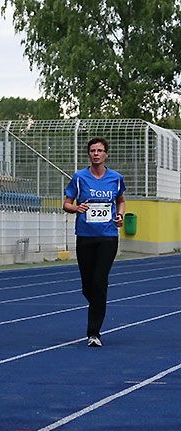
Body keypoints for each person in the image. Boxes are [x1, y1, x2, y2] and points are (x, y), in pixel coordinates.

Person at [63, 137, 126, 347]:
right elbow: (66, 203)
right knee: (88, 286)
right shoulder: (79, 178)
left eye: (100, 150)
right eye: (92, 150)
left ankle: (93, 332)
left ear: (106, 154)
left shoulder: (116, 178)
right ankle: (98, 304)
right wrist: (76, 208)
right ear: (89, 154)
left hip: (108, 237)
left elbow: (121, 201)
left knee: (100, 281)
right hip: (85, 236)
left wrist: (120, 216)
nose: (96, 154)